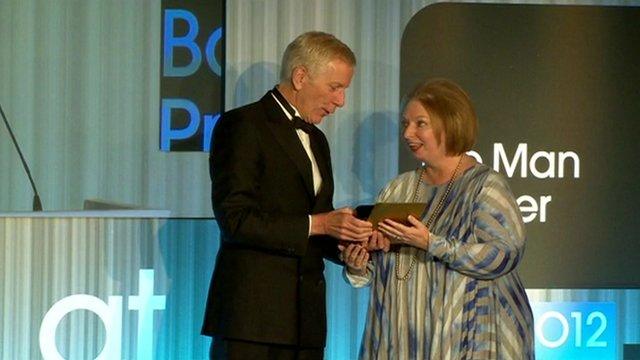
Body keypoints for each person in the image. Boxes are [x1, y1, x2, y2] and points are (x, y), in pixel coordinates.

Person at [202, 31, 373, 359]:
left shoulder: (318, 140)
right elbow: (235, 219)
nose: (341, 101)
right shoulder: (242, 125)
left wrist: (352, 242)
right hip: (251, 322)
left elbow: (319, 222)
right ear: (300, 76)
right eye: (335, 88)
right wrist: (321, 224)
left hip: (306, 323)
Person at [340, 79, 534, 359]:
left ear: (451, 123)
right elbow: (383, 267)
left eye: (420, 124)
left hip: (464, 340)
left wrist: (432, 243)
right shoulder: (398, 188)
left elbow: (505, 254)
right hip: (401, 341)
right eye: (405, 123)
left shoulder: (485, 186)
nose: (408, 133)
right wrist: (359, 264)